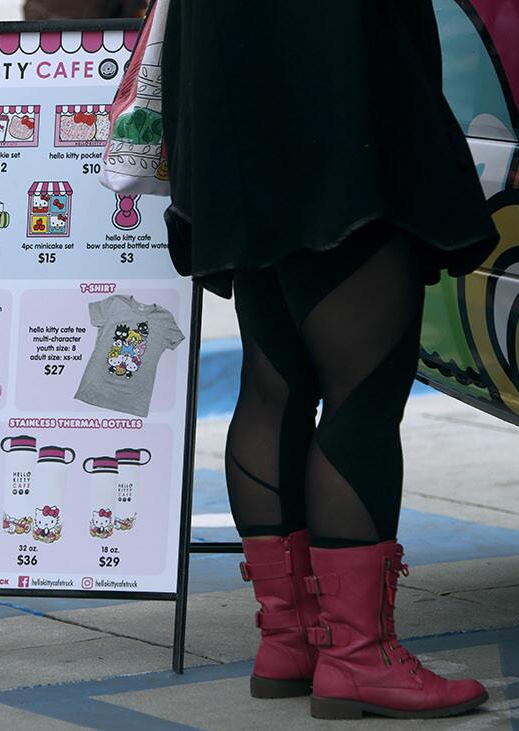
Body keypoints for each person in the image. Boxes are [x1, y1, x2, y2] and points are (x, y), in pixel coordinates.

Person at [160, 0, 498, 720]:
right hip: (328, 88)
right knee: (364, 390)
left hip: (231, 84)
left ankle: (289, 640)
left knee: (275, 377)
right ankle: (357, 653)